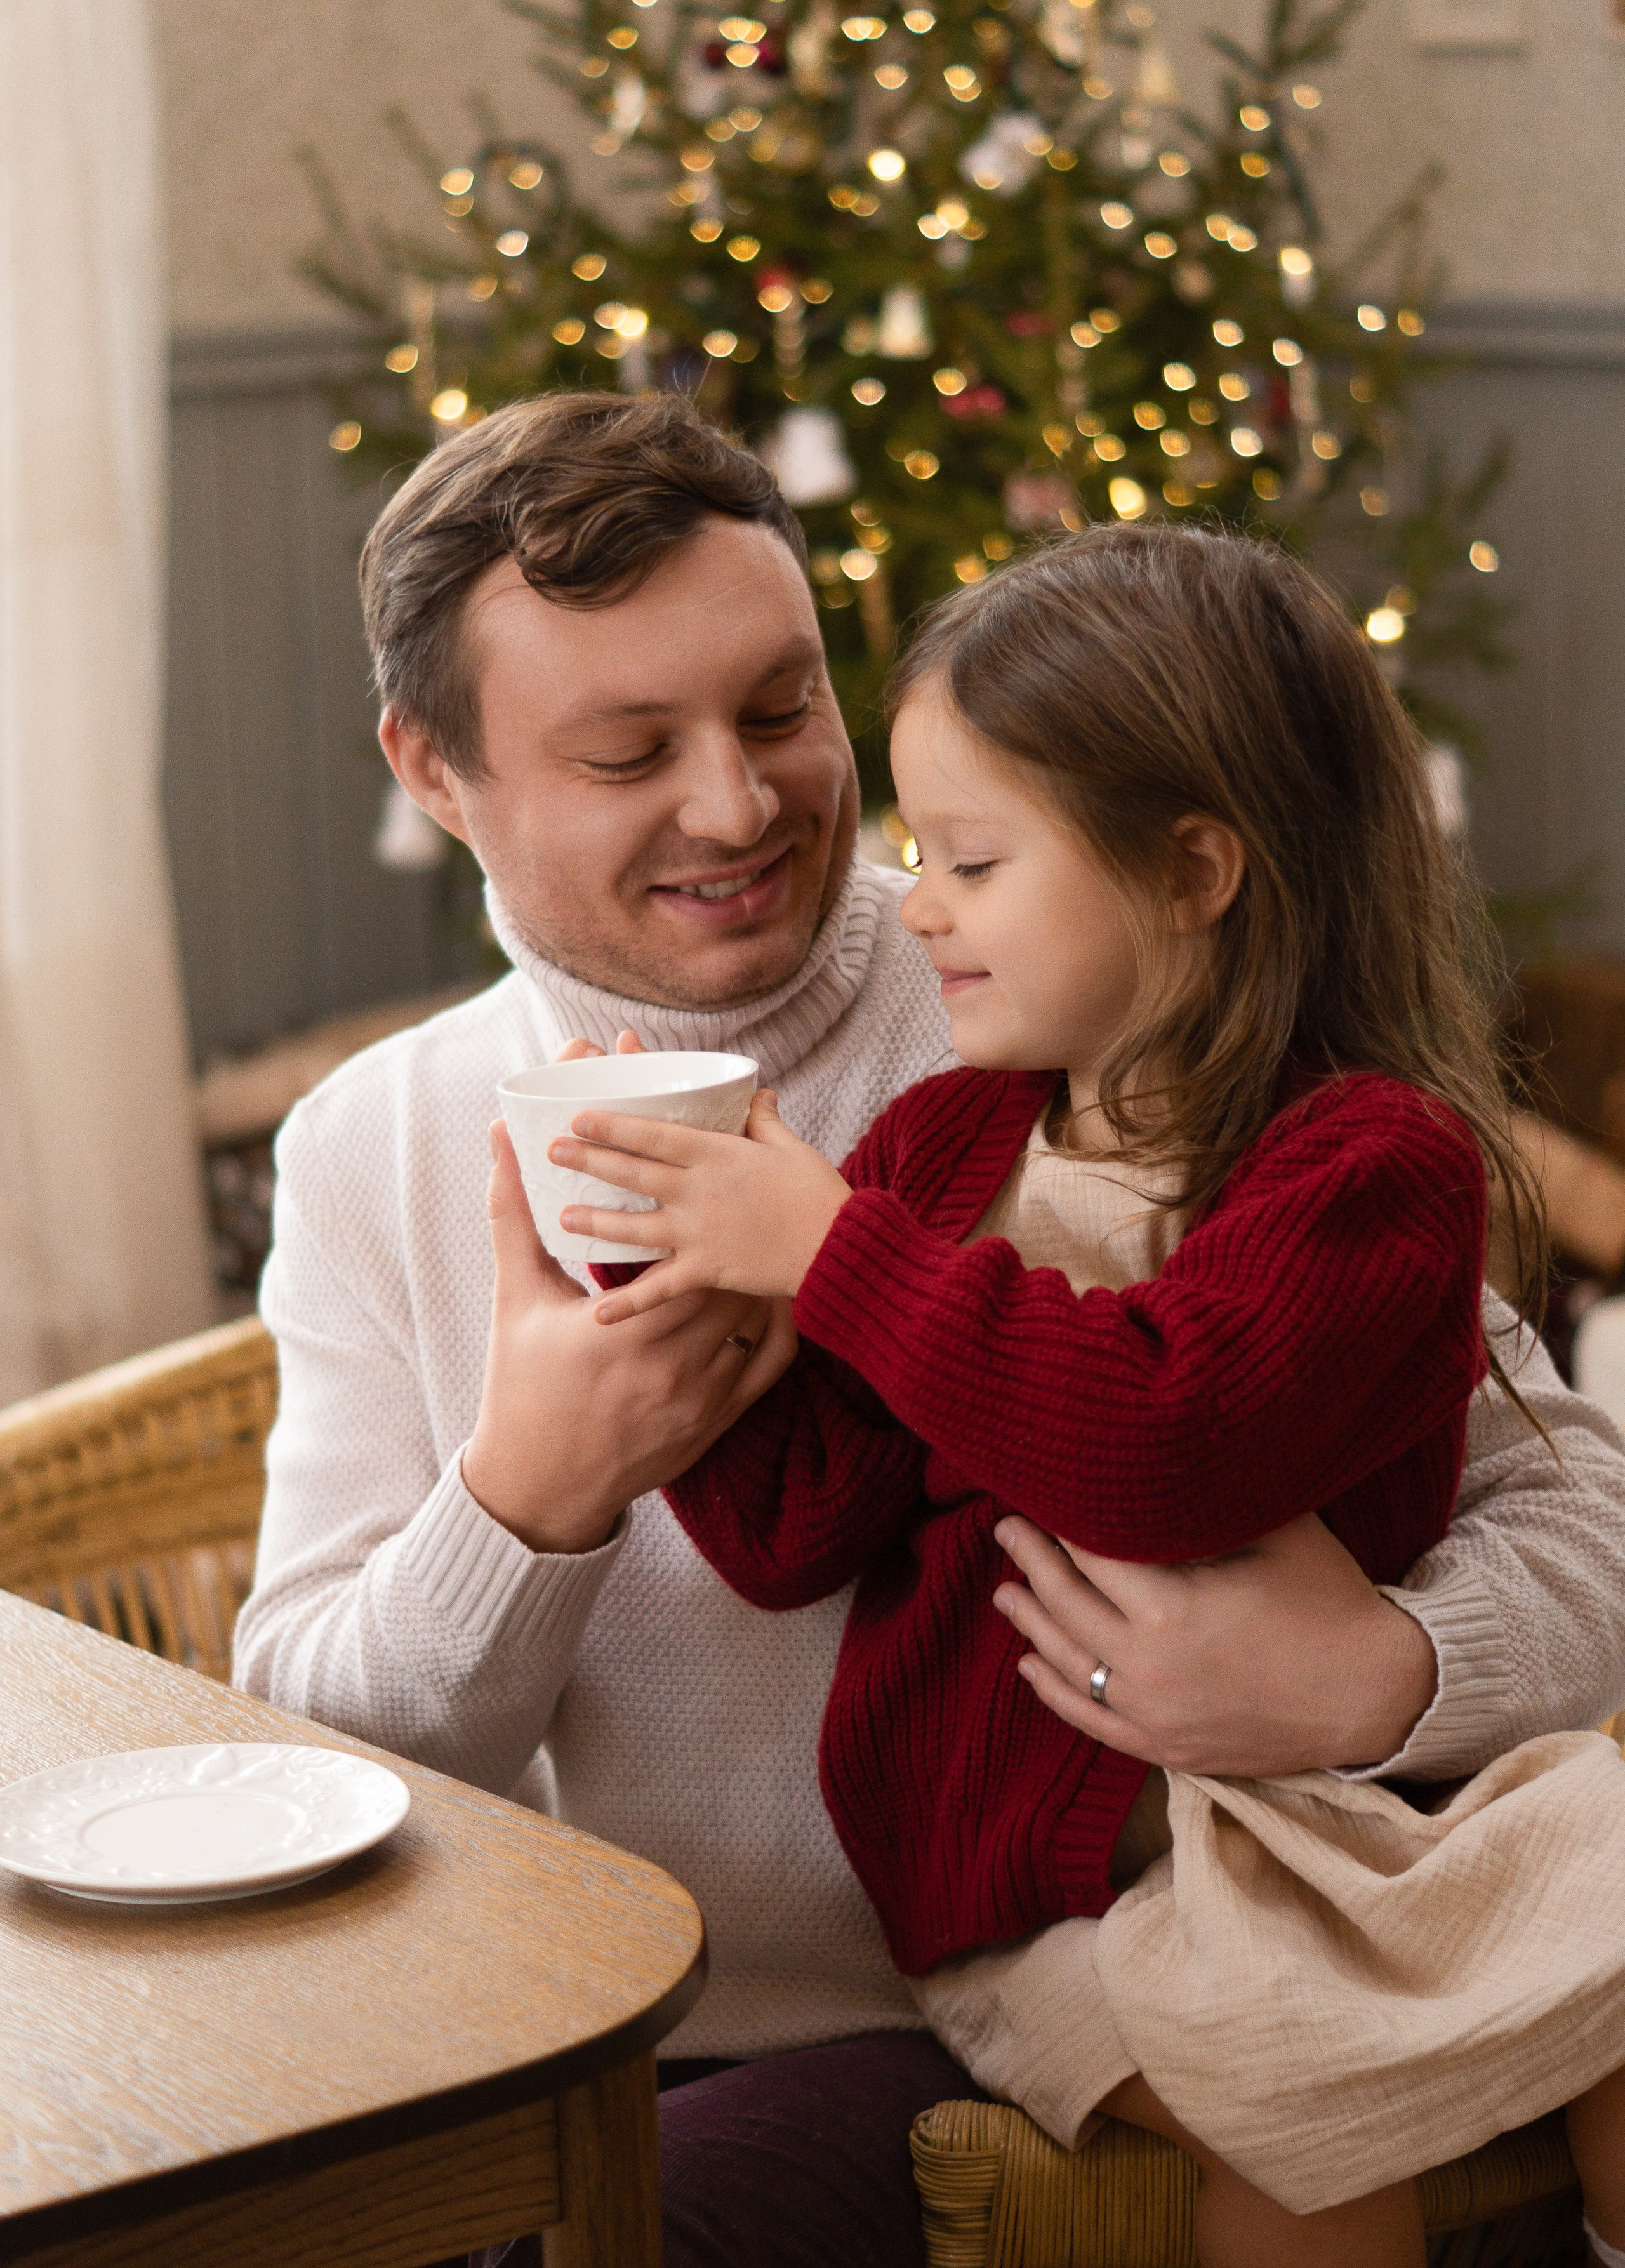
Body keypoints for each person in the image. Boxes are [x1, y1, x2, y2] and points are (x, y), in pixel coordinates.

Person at [234, 393, 1625, 2268]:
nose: (739, 806)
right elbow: (303, 1754)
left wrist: (1377, 1670)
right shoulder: (374, 1148)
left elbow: (1576, 1519)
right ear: (436, 767)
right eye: (630, 748)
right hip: (629, 2024)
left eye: (784, 708)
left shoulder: (1072, 985)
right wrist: (530, 1499)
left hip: (987, 1983)